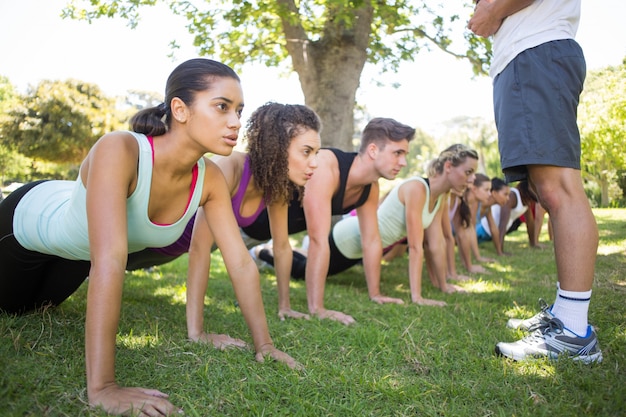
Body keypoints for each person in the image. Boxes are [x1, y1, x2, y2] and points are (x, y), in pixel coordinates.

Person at [0, 58, 300, 416]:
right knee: (8, 309)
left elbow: (239, 262)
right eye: (222, 107)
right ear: (180, 109)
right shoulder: (121, 149)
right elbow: (110, 259)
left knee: (35, 311)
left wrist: (264, 344)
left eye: (239, 110)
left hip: (74, 256)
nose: (235, 122)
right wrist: (103, 388)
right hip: (26, 223)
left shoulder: (210, 179)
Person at [469, 0, 602, 363]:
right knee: (547, 190)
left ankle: (575, 332)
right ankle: (564, 316)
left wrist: (492, 11)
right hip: (523, 56)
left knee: (559, 189)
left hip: (537, 51)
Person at [127, 102, 322, 323]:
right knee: (99, 262)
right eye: (306, 152)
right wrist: (196, 331)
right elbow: (199, 248)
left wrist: (284, 306)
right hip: (148, 238)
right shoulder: (229, 167)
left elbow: (282, 246)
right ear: (277, 146)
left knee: (128, 266)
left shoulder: (275, 187)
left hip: (171, 251)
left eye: (316, 153)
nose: (314, 163)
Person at [259, 144, 479, 305]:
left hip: (367, 243)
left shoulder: (440, 196)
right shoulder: (417, 188)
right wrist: (417, 297)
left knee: (309, 259)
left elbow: (435, 244)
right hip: (350, 238)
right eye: (468, 172)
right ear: (448, 167)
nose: (471, 179)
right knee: (302, 270)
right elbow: (415, 247)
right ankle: (262, 252)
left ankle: (290, 250)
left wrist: (443, 285)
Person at [245, 117, 415, 325]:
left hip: (272, 233)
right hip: (245, 225)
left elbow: (371, 241)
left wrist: (376, 293)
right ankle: (260, 254)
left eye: (404, 155)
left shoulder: (370, 187)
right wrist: (318, 309)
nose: (403, 162)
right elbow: (317, 241)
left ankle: (260, 254)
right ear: (372, 150)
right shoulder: (326, 167)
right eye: (398, 153)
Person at [477, 179, 547, 251]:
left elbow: (530, 222)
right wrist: (500, 251)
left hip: (492, 233)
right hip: (483, 229)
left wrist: (534, 243)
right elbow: (503, 223)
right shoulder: (512, 196)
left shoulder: (526, 201)